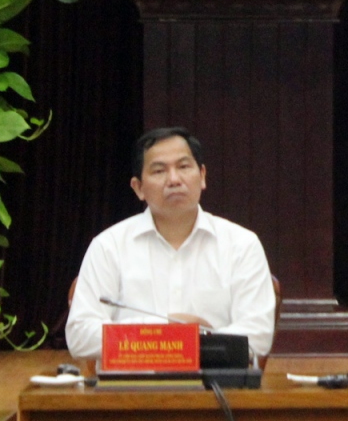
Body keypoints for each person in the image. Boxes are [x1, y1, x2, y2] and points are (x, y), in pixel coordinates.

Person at [66, 127, 276, 361]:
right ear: (138, 188)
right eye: (159, 171)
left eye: (184, 167)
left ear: (203, 175)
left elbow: (258, 335)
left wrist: (174, 343)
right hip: (128, 392)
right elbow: (80, 336)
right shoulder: (108, 246)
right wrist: (167, 328)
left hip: (216, 388)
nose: (174, 180)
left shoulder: (241, 245)